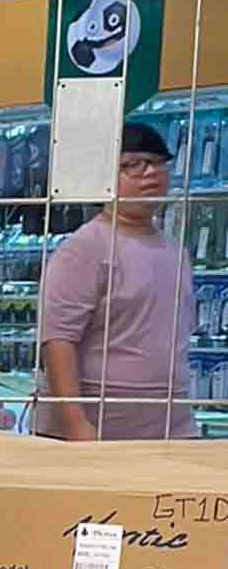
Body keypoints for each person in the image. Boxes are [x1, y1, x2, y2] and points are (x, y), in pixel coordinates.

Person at [38, 121, 196, 440]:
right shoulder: (83, 249)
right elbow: (58, 342)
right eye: (132, 165)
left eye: (157, 162)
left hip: (170, 424)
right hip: (99, 426)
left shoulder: (176, 251)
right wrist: (75, 423)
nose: (149, 173)